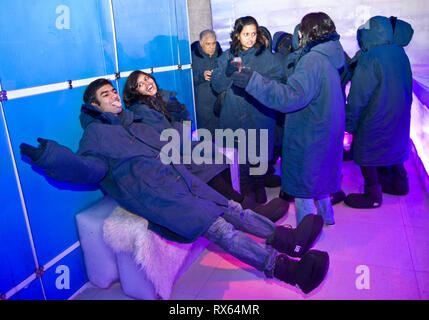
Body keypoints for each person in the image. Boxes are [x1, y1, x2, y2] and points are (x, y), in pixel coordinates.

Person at [19, 78, 329, 294]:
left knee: (234, 209)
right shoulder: (95, 137)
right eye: (105, 95)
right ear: (94, 106)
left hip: (183, 181)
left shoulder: (131, 122)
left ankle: (286, 241)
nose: (114, 97)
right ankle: (287, 271)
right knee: (222, 230)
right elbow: (89, 170)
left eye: (114, 92)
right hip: (159, 198)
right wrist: (52, 158)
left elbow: (171, 143)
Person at [122, 70, 287, 222]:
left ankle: (238, 206)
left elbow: (181, 128)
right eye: (140, 84)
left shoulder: (156, 101)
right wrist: (179, 122)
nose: (147, 83)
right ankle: (248, 209)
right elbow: (167, 138)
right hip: (168, 156)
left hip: (178, 147)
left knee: (217, 156)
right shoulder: (142, 110)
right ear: (135, 92)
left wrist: (179, 114)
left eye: (146, 78)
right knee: (206, 165)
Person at [230, 12, 346, 226]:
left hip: (309, 133)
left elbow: (290, 97)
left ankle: (305, 232)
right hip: (324, 128)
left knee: (303, 186)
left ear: (308, 31)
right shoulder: (330, 56)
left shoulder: (312, 60)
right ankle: (327, 218)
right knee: (318, 180)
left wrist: (253, 81)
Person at [211, 16, 286, 206]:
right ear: (237, 34)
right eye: (246, 34)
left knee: (258, 157)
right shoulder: (227, 56)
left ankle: (260, 190)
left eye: (253, 34)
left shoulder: (266, 56)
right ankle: (246, 196)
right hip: (234, 114)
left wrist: (256, 81)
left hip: (258, 113)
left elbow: (277, 83)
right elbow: (217, 86)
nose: (250, 38)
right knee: (241, 160)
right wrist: (226, 73)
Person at [344, 16, 413, 208]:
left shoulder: (370, 57)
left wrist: (350, 123)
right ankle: (401, 183)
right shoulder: (399, 53)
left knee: (368, 151)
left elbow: (359, 95)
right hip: (399, 114)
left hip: (375, 116)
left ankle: (372, 195)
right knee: (394, 148)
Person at [191, 30, 223, 137]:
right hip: (202, 109)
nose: (211, 47)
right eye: (208, 44)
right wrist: (201, 76)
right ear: (201, 43)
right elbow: (187, 80)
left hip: (219, 106)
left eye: (214, 43)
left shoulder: (221, 57)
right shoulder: (192, 58)